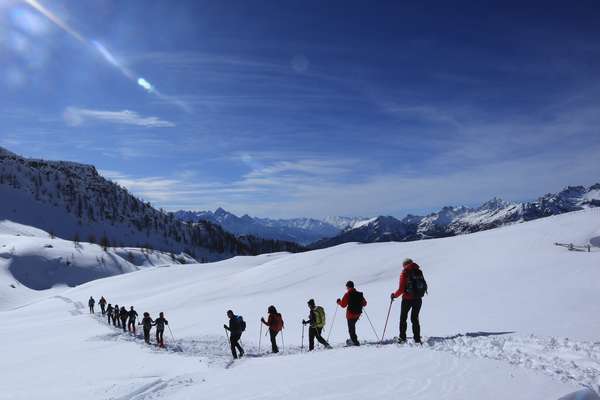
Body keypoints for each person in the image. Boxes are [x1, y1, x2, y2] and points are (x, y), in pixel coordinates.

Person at [390, 258, 427, 344]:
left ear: (405, 265)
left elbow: (401, 289)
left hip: (407, 299)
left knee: (403, 318)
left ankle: (402, 338)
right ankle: (417, 338)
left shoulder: (405, 272)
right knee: (415, 318)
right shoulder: (418, 271)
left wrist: (394, 295)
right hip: (418, 298)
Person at [337, 280, 367, 346]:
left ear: (348, 287)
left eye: (347, 287)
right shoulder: (359, 294)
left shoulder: (347, 294)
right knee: (352, 328)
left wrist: (339, 302)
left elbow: (343, 305)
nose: (346, 288)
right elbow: (365, 303)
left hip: (350, 315)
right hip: (357, 314)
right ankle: (353, 340)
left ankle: (355, 342)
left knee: (351, 330)